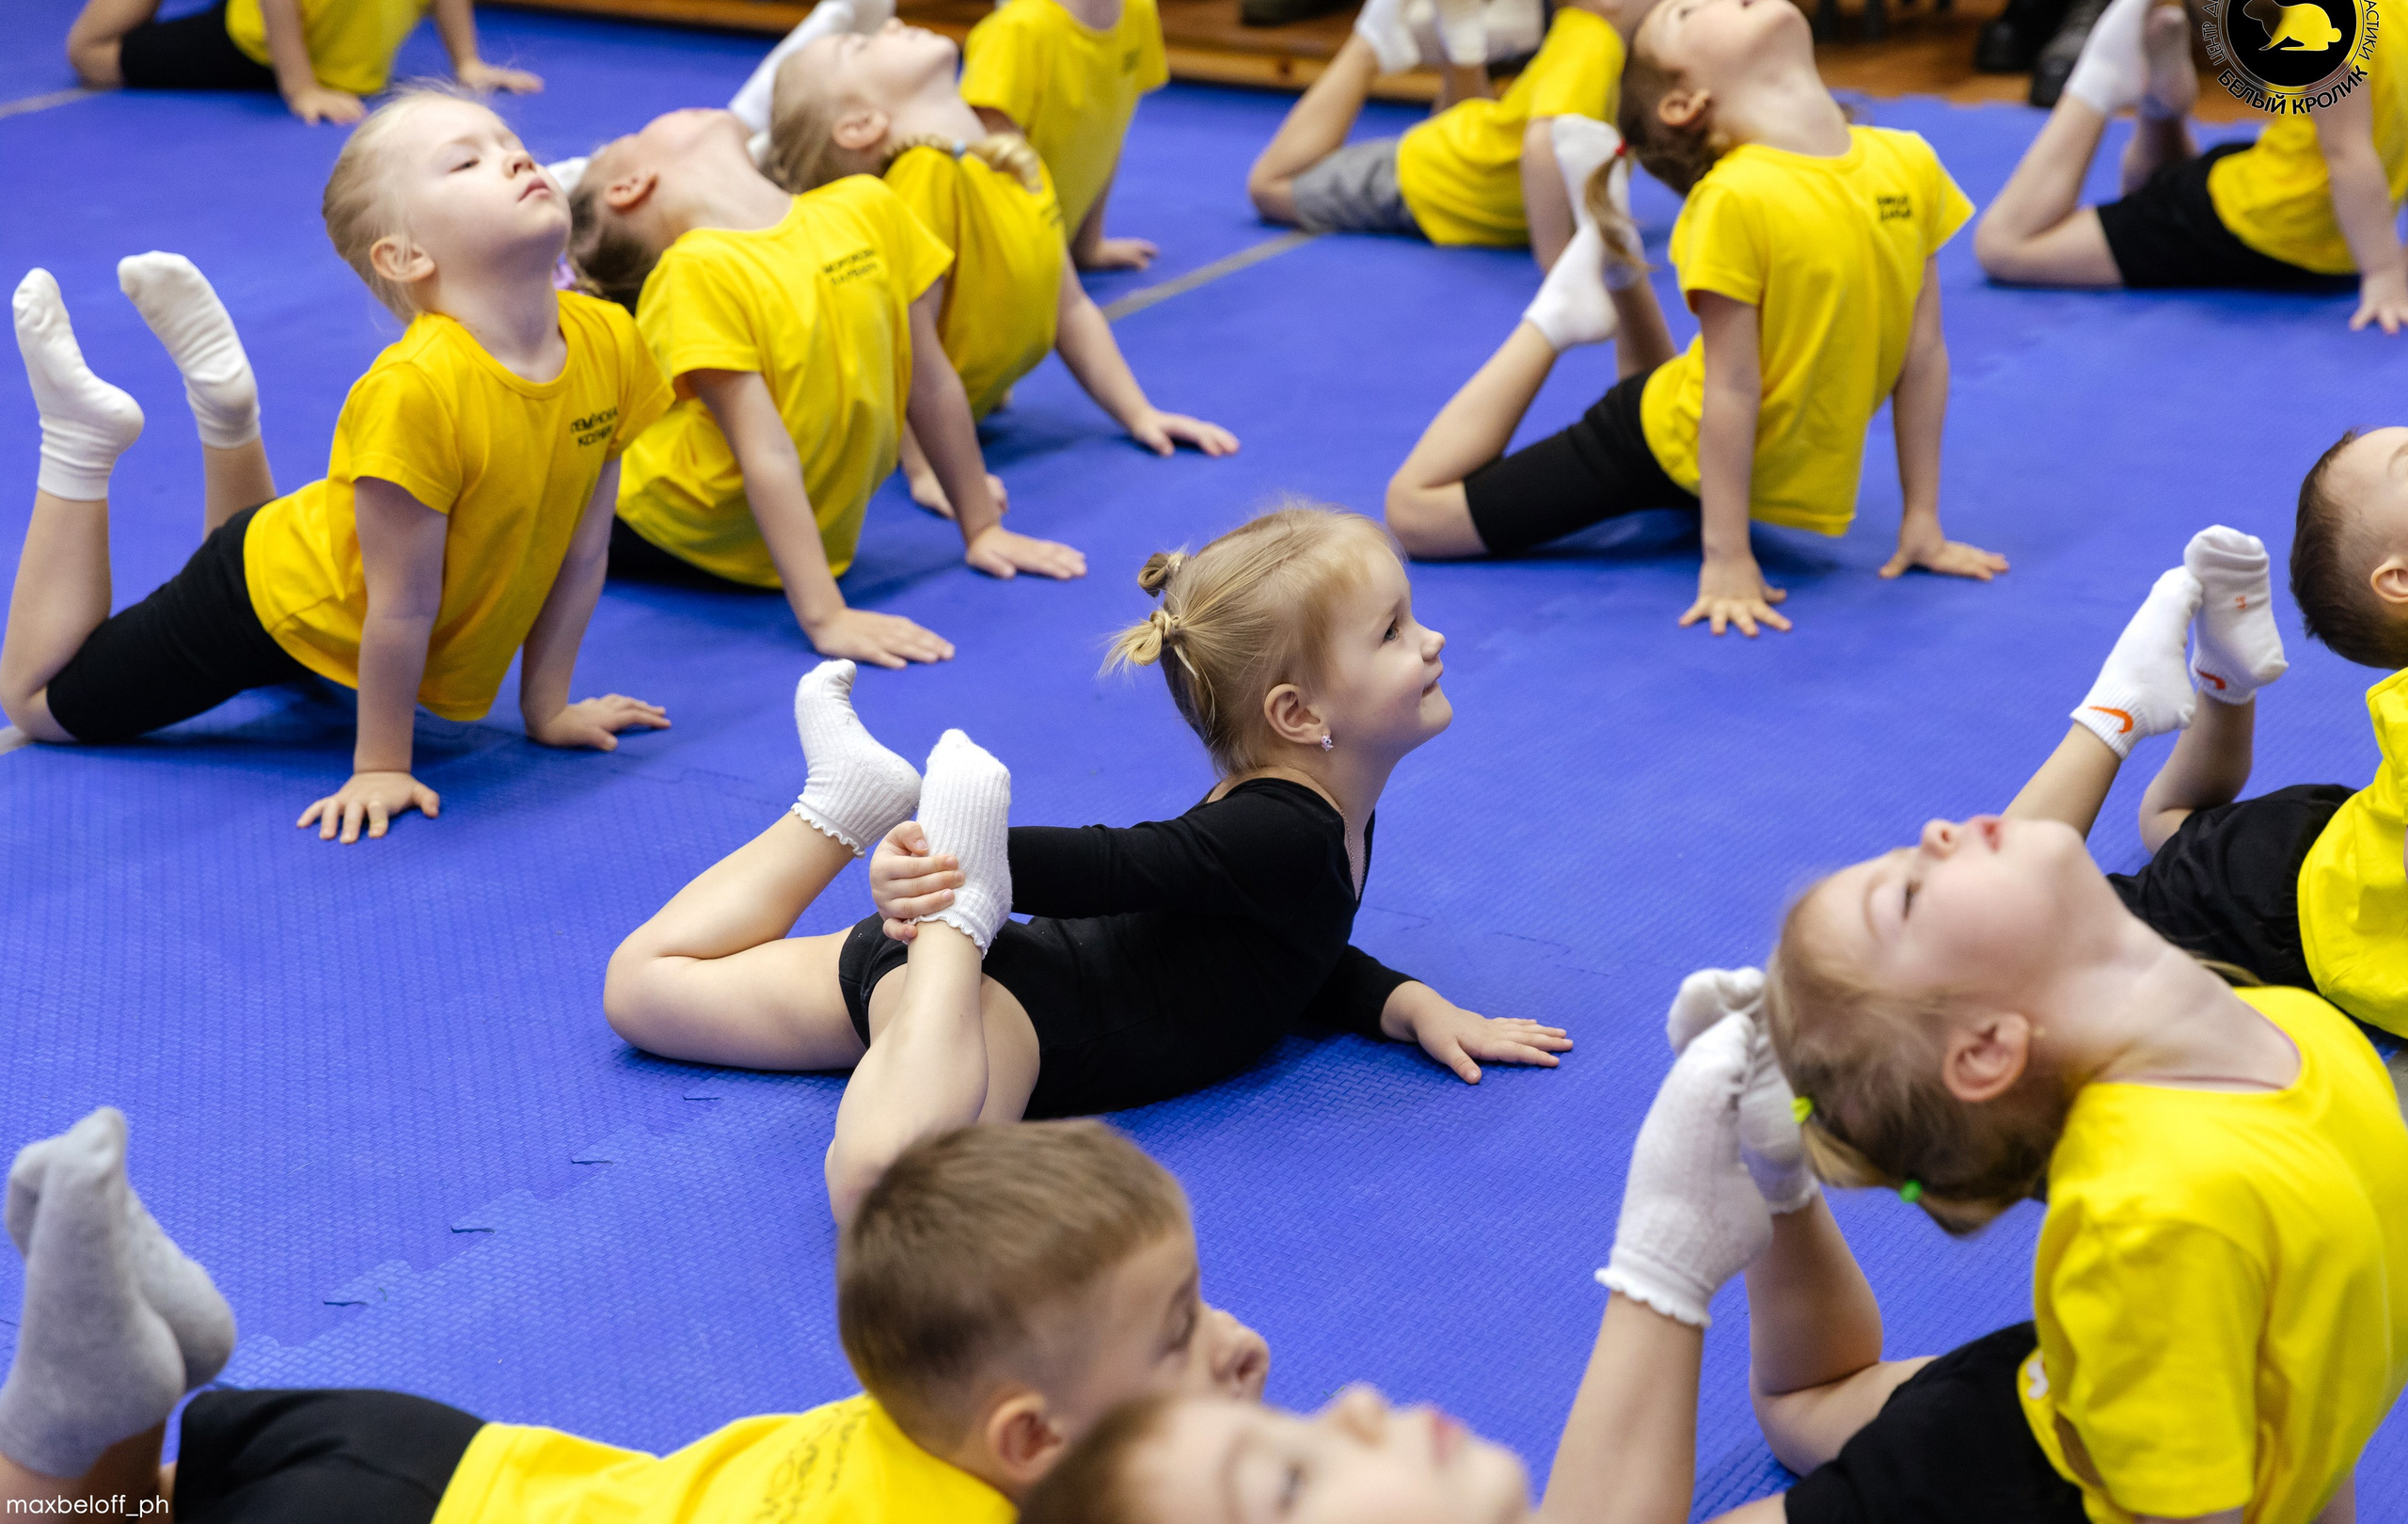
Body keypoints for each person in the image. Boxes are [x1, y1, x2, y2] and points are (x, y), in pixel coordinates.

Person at [1019, 842, 2408, 1521]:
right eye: (1288, 1481)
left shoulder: (2257, 1087)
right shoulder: (2217, 1146)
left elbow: (2284, 1353)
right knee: (1822, 1407)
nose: (1350, 1388)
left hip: (2079, 1406)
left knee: (1814, 1401)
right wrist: (1674, 1248)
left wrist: (1769, 1182)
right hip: (2047, 1453)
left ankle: (1777, 1184)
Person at [605, 507, 1573, 1225]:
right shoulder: (1288, 831)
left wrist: (1407, 1006)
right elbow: (1124, 865)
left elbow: (1289, 952)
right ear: (1298, 717)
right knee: (880, 1192)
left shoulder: (1309, 828)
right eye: (1395, 632)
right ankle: (953, 910)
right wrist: (966, 862)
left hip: (967, 996)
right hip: (1006, 1014)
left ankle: (838, 806)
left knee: (642, 989)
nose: (1432, 639)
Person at [0, 1109, 1271, 1520]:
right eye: (1181, 1330)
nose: (1241, 1342)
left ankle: (124, 1380)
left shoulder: (935, 1408)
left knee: (150, 1506)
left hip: (438, 1458)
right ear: (1031, 1437)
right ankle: (80, 1397)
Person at [1, 91, 673, 844]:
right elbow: (403, 606)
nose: (517, 156)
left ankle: (226, 408)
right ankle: (78, 442)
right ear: (406, 255)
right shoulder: (415, 390)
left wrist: (547, 708)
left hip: (324, 582)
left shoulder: (610, 339)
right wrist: (382, 762)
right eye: (467, 160)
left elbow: (582, 550)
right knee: (39, 704)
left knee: (272, 590)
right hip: (262, 594)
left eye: (510, 139)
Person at [1385, 0, 2006, 638]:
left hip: (1714, 442)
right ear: (1686, 102)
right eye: (1690, 8)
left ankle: (1618, 262)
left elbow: (1923, 353)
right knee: (1417, 516)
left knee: (1676, 381)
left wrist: (1923, 522)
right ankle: (1557, 314)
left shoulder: (1909, 163)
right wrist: (1727, 555)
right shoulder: (1736, 198)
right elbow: (1730, 389)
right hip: (1660, 438)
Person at [567, 103, 1088, 670]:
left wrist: (982, 526)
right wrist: (826, 616)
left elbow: (930, 377)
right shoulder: (696, 268)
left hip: (785, 527)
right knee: (548, 493)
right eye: (637, 128)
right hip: (671, 515)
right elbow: (763, 450)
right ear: (630, 185)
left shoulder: (866, 204)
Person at [761, 17, 1238, 515]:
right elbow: (895, 348)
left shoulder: (1006, 160)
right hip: (893, 420)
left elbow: (1069, 307)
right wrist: (926, 472)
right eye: (859, 45)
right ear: (860, 125)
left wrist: (1139, 413)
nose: (893, 23)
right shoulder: (924, 176)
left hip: (962, 407)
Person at [2007, 507, 2408, 1038]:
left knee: (2168, 819)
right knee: (1994, 935)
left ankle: (2226, 680)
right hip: (2280, 904)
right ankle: (2117, 712)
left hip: (2349, 849)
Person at [1973, 0, 2407, 334]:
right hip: (2264, 223)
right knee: (2004, 246)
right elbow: (2349, 156)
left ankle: (2161, 103)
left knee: (2154, 195)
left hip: (2294, 204)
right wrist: (2384, 268)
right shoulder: (2327, 30)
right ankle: (2101, 79)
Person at [1245, 0, 1703, 273]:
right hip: (1433, 178)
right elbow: (1543, 150)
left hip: (1478, 142)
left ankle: (1463, 48)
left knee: (1481, 122)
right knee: (1270, 188)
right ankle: (1370, 43)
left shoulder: (1624, 47)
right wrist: (1558, 264)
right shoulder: (1593, 46)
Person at [65, 0, 540, 125]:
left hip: (322, 41)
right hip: (257, 42)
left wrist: (468, 60)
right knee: (92, 54)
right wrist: (300, 88)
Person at [952, 0, 1168, 270]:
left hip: (1048, 250)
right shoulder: (1016, 33)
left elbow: (1106, 135)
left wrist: (1088, 245)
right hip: (992, 259)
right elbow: (989, 173)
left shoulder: (1136, 2)